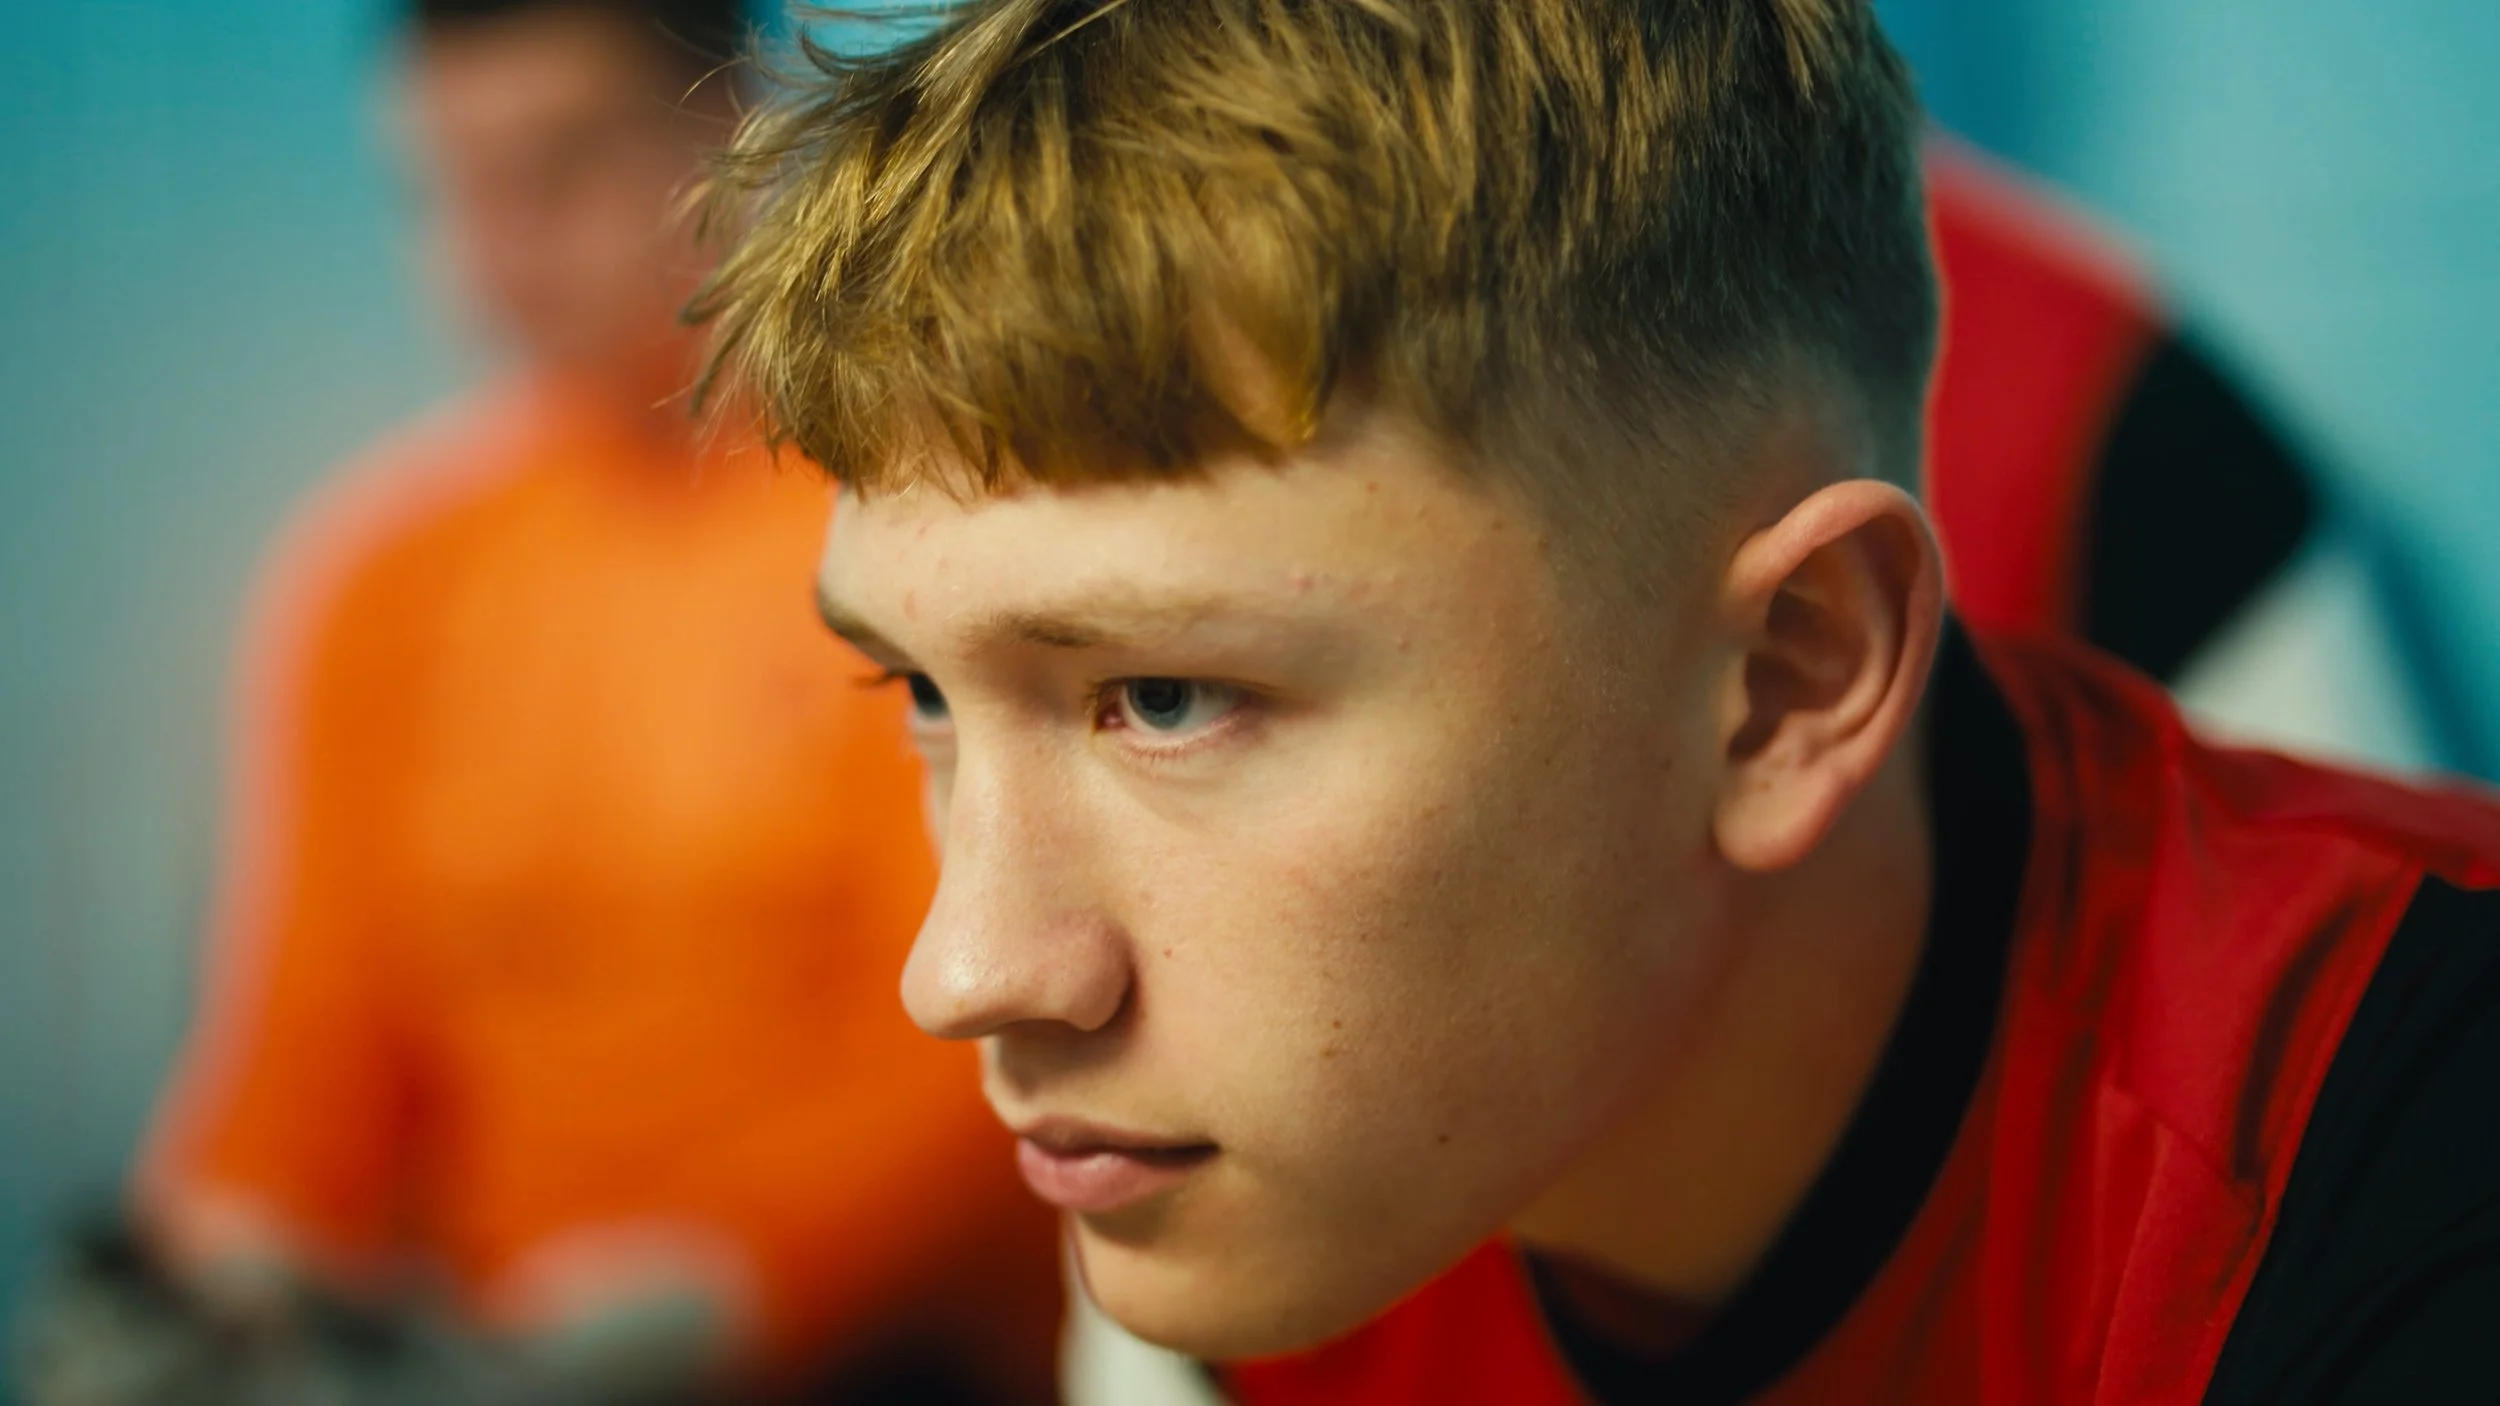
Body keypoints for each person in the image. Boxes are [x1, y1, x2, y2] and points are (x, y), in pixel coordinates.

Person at [688, 2, 2500, 1403]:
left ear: (1791, 680)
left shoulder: (2403, 1153)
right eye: (923, 688)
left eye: (1166, 696)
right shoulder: (1244, 1198)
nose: (971, 967)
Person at [100, 0, 1058, 1400]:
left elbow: (986, 1026)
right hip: (485, 1346)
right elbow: (305, 1052)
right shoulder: (384, 580)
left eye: (560, 166)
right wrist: (204, 1273)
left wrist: (726, 1281)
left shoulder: (916, 516)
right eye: (449, 188)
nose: (499, 245)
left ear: (738, 128)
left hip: (899, 1347)